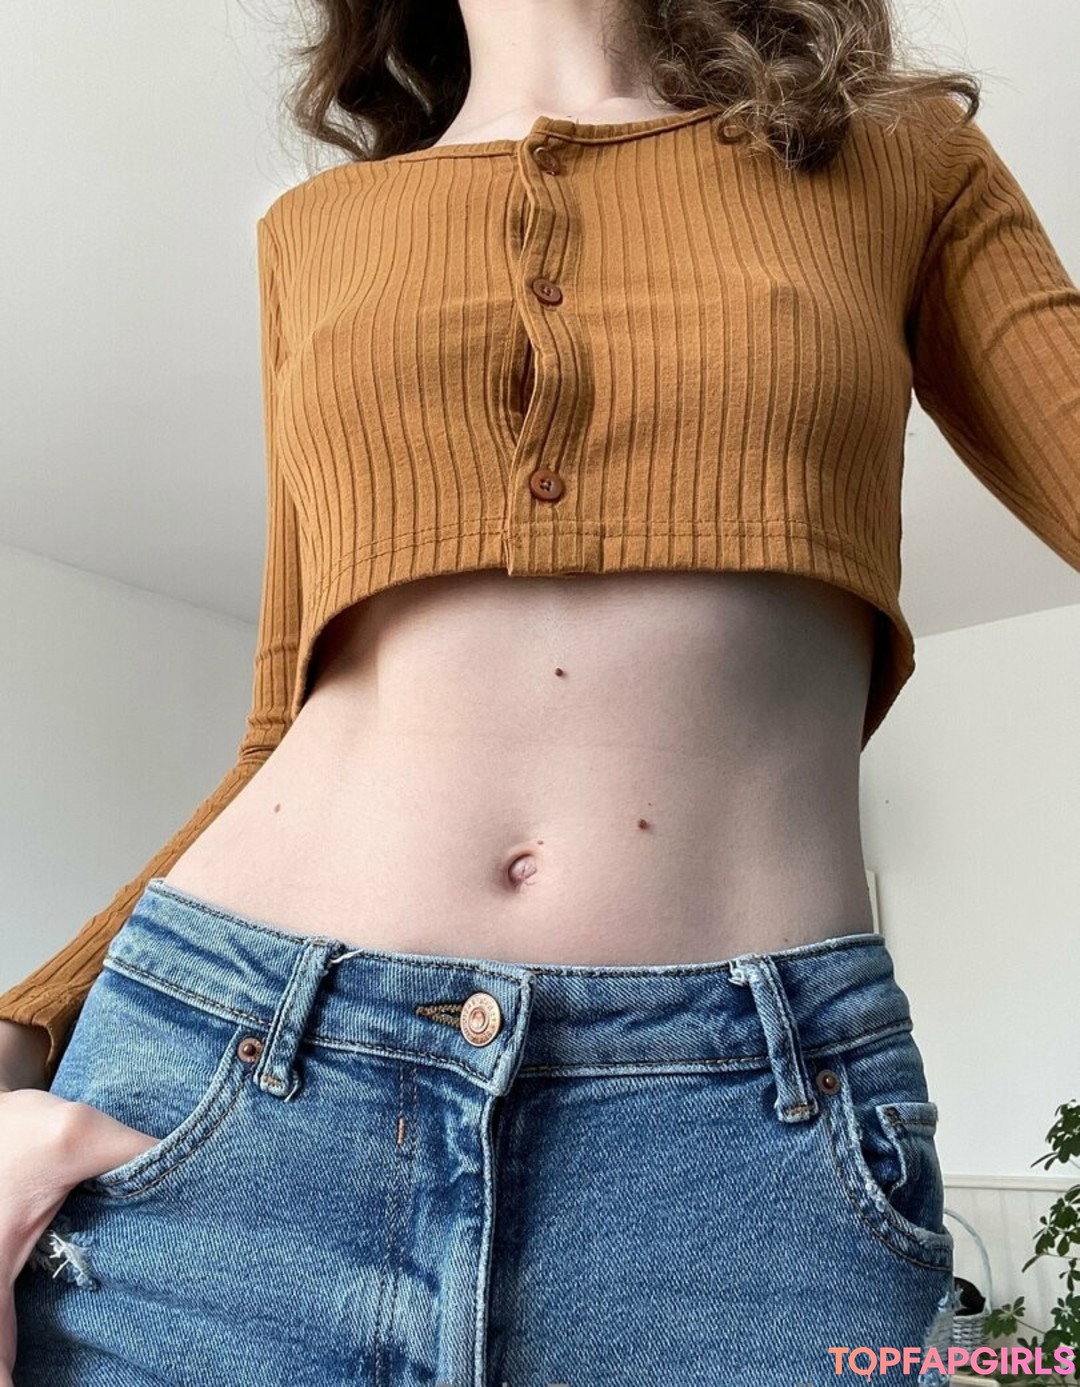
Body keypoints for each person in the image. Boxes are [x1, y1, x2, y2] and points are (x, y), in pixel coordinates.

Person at [2, 0, 1078, 1382]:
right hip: (237, 1093)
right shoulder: (315, 235)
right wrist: (22, 1036)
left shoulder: (892, 158)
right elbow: (283, 726)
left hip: (743, 1145)